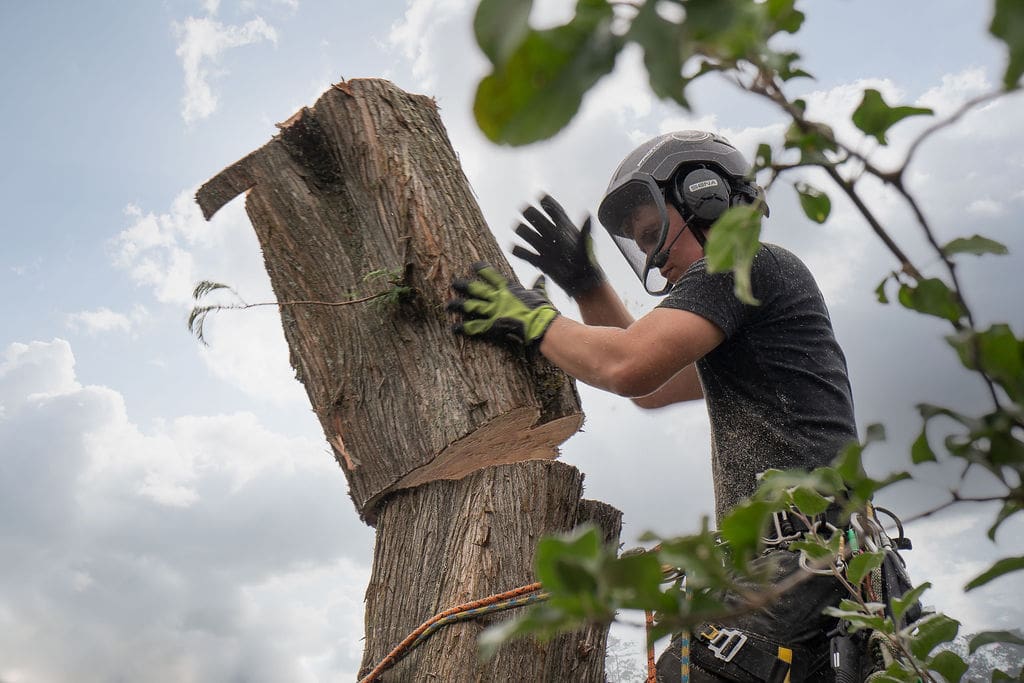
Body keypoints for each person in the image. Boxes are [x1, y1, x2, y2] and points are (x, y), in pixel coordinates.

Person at [448, 131, 858, 681]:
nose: (653, 258)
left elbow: (628, 365)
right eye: (639, 245)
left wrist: (532, 319)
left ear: (705, 197)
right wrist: (588, 286)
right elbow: (653, 386)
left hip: (793, 572)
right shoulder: (756, 310)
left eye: (652, 234)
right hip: (809, 578)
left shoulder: (745, 263)